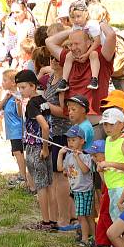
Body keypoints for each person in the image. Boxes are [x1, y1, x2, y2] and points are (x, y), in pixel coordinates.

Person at [45, 20, 116, 119]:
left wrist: (97, 24)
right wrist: (74, 29)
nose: (73, 48)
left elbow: (111, 35)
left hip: (93, 118)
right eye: (71, 44)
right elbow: (49, 41)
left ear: (88, 43)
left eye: (77, 44)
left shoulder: (100, 57)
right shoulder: (69, 58)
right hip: (72, 119)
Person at [16, 69, 53, 229]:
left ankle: (45, 221)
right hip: (45, 145)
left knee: (40, 186)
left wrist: (44, 148)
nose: (21, 91)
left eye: (23, 87)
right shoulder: (42, 100)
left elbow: (44, 126)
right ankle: (51, 218)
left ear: (33, 85)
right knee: (46, 184)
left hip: (36, 147)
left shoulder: (32, 103)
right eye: (19, 87)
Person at [42, 54, 76, 230]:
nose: (53, 61)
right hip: (52, 131)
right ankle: (68, 214)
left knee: (61, 177)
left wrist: (46, 106)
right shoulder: (51, 78)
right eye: (52, 58)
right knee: (56, 178)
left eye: (57, 59)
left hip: (62, 132)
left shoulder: (63, 81)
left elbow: (65, 111)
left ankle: (64, 218)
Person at [95, 107, 124, 229]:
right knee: (117, 222)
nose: (107, 128)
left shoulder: (123, 142)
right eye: (105, 124)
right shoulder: (108, 140)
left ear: (121, 124)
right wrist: (102, 168)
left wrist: (110, 164)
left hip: (122, 188)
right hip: (111, 187)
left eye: (111, 124)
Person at [58, 125, 95, 246]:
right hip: (76, 190)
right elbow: (61, 169)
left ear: (82, 141)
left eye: (73, 140)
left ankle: (86, 239)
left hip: (85, 190)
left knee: (83, 216)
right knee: (84, 215)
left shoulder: (86, 156)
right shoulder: (68, 156)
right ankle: (93, 238)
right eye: (69, 140)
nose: (70, 143)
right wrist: (60, 154)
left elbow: (85, 170)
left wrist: (77, 157)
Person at [55, 1, 102, 93]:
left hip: (95, 46)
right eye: (73, 17)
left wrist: (87, 54)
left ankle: (94, 79)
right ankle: (64, 80)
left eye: (78, 16)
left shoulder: (92, 25)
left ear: (86, 14)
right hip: (84, 46)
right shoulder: (76, 26)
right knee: (69, 56)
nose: (76, 20)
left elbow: (97, 41)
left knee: (93, 55)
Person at [0, 69, 29, 189]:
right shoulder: (8, 96)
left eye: (4, 80)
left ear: (12, 82)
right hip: (11, 130)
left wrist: (18, 104)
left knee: (18, 152)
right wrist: (5, 98)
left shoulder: (18, 96)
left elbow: (21, 114)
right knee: (16, 152)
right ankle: (22, 174)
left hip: (17, 130)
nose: (2, 83)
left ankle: (23, 176)